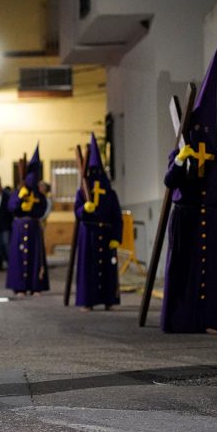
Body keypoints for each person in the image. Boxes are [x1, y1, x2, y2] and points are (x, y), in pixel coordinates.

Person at [161, 51, 217, 334]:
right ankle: (184, 320)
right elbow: (170, 183)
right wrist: (181, 160)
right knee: (187, 272)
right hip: (186, 222)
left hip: (214, 221)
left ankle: (212, 319)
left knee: (214, 273)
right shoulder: (179, 154)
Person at [74, 133, 122, 311]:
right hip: (89, 235)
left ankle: (109, 300)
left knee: (108, 269)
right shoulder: (82, 192)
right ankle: (88, 301)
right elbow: (76, 212)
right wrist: (84, 209)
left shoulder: (110, 194)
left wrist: (116, 237)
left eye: (98, 173)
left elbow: (117, 217)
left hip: (107, 234)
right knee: (89, 269)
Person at [6, 146, 49, 295]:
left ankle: (36, 285)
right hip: (19, 227)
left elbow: (42, 209)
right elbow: (11, 207)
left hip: (33, 227)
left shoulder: (39, 195)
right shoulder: (19, 192)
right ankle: (20, 287)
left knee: (35, 257)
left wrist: (34, 206)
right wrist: (19, 199)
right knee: (19, 257)